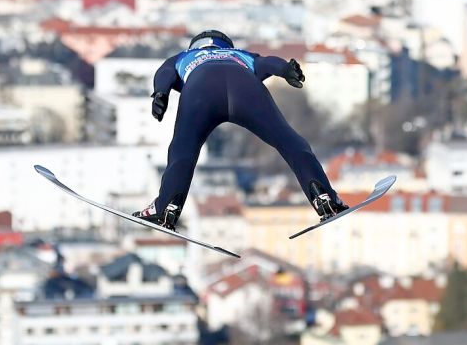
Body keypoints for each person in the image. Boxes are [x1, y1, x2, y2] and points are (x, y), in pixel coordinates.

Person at [132, 29, 349, 230]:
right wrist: (285, 70)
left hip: (201, 90)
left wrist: (160, 93)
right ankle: (324, 198)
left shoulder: (184, 57)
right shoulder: (240, 55)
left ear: (194, 46)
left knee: (182, 151)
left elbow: (165, 73)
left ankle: (166, 209)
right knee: (290, 142)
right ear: (226, 45)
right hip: (245, 88)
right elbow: (267, 63)